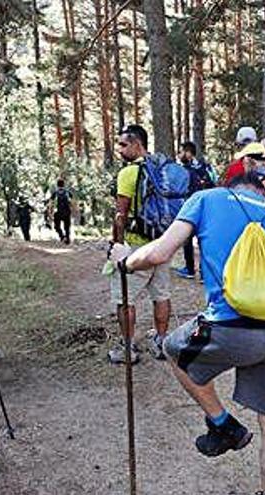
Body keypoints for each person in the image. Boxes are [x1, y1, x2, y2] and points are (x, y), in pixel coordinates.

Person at [113, 169, 265, 495]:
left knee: (173, 348)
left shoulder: (207, 198)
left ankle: (223, 425)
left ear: (230, 187)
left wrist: (125, 260)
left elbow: (159, 253)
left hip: (231, 327)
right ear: (260, 193)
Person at [108, 124, 172, 364]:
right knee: (161, 295)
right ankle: (162, 342)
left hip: (136, 246)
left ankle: (127, 348)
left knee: (125, 298)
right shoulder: (162, 170)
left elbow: (120, 215)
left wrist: (117, 245)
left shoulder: (128, 173)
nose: (120, 149)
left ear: (137, 144)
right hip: (162, 244)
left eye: (124, 144)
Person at [174, 141, 216, 279]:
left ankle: (190, 269)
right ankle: (204, 273)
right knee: (203, 240)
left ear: (188, 152)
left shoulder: (184, 170)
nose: (179, 155)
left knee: (187, 238)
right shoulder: (205, 167)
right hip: (206, 208)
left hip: (191, 207)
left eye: (181, 152)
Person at [50, 179, 74, 244]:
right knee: (67, 226)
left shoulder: (55, 193)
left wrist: (50, 211)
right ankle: (68, 239)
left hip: (58, 212)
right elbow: (72, 202)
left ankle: (62, 236)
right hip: (67, 211)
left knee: (57, 226)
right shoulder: (68, 192)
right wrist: (73, 210)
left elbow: (51, 203)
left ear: (57, 185)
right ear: (64, 185)